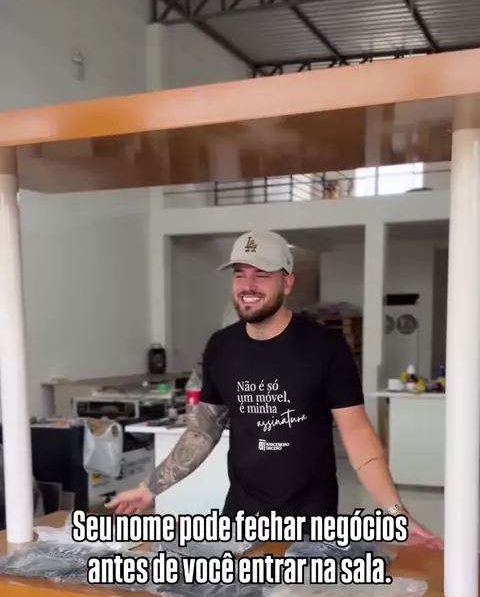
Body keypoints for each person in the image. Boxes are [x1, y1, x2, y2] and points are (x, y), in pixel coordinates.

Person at [107, 230, 442, 549]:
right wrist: (150, 488)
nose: (248, 285)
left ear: (288, 282)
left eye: (262, 274)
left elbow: (358, 435)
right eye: (240, 274)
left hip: (311, 523)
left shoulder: (325, 347)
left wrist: (395, 513)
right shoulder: (221, 347)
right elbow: (204, 431)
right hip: (240, 519)